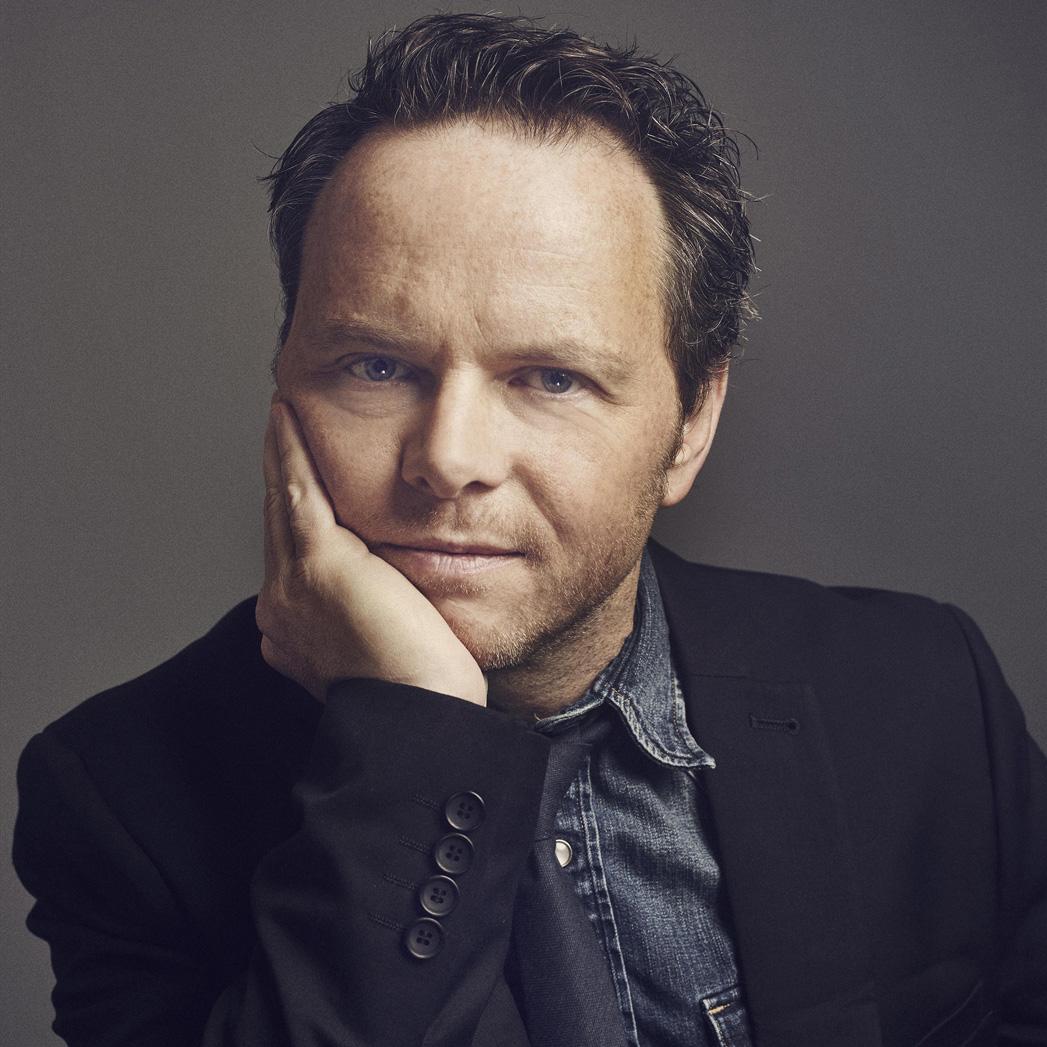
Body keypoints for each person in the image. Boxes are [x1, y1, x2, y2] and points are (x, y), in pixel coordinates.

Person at [13, 12, 1046, 1047]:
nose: (448, 458)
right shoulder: (119, 803)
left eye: (551, 378)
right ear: (283, 382)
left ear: (691, 425)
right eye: (376, 365)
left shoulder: (923, 696)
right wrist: (411, 738)